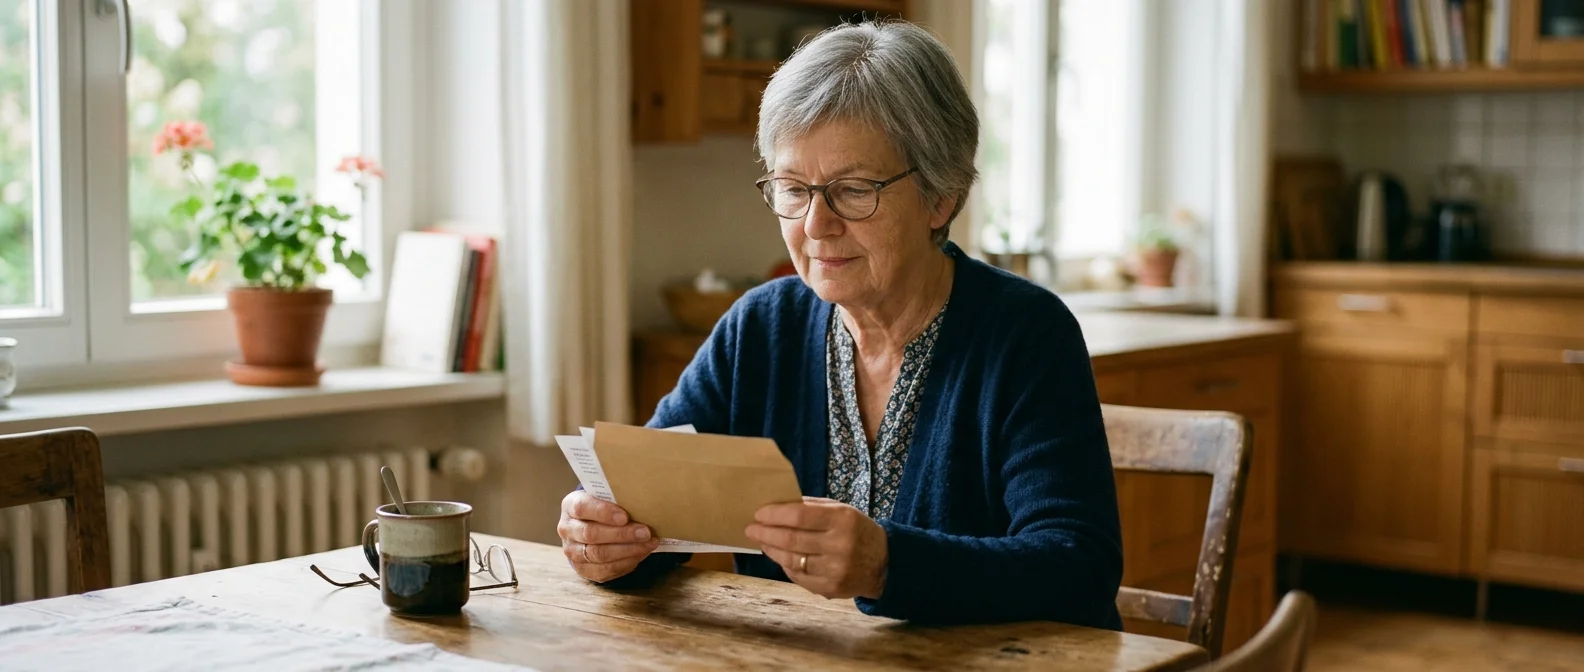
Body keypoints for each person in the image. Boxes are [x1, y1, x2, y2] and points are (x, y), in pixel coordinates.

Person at [556, 19, 1122, 629]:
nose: (816, 225)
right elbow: (650, 511)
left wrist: (889, 565)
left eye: (853, 190)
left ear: (943, 195)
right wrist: (609, 541)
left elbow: (1078, 565)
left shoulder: (1026, 334)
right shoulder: (760, 327)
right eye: (794, 189)